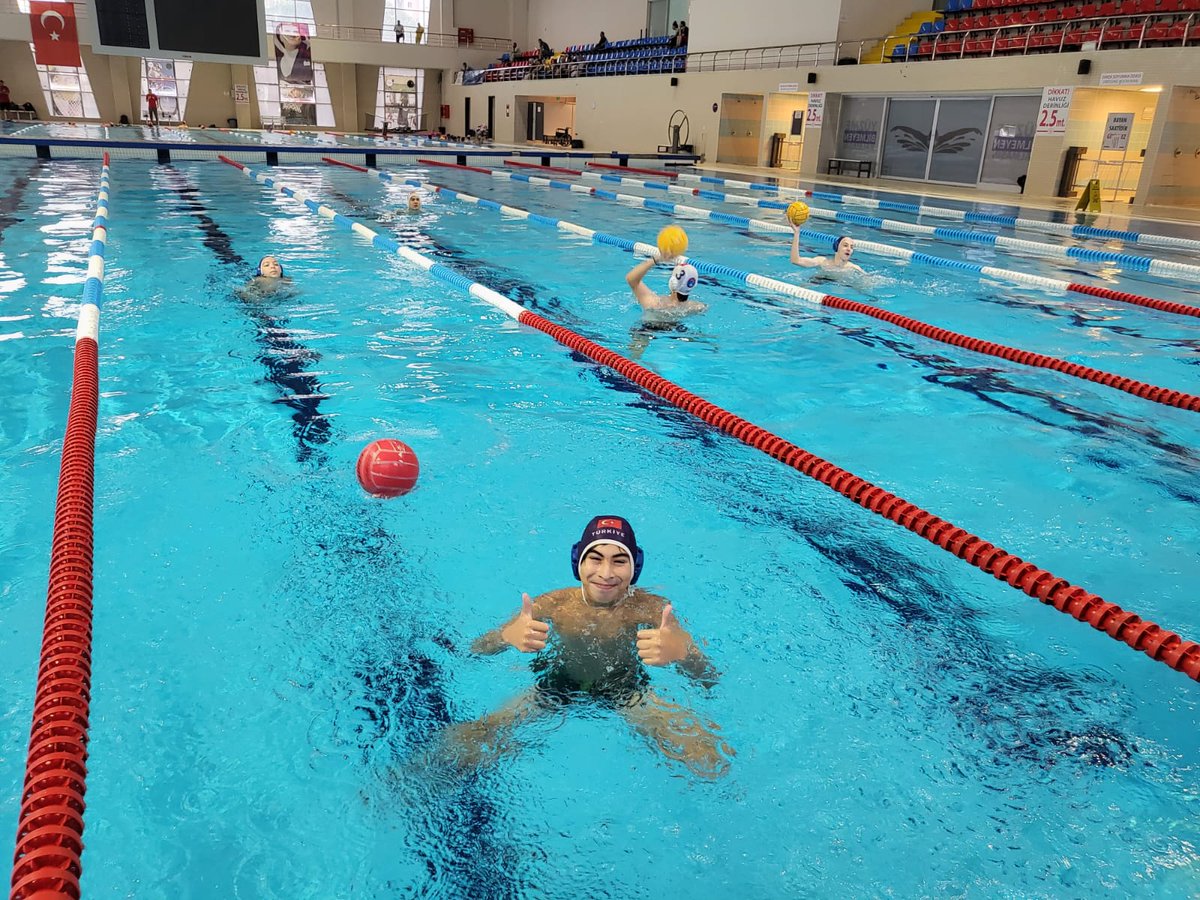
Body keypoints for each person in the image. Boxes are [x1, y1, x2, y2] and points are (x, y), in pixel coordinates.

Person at [444, 516, 732, 778]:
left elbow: (709, 679)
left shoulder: (651, 609)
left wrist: (683, 653)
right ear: (577, 562)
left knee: (711, 759)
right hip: (557, 685)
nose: (606, 573)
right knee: (468, 742)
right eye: (595, 559)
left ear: (636, 567)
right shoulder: (554, 604)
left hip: (625, 689)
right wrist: (506, 636)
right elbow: (476, 649)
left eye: (619, 561)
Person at [626, 255, 707, 327]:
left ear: (673, 282)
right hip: (677, 328)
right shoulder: (697, 307)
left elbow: (631, 279)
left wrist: (655, 259)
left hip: (649, 329)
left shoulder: (656, 303)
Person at [789, 222, 866, 274]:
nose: (849, 249)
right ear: (836, 247)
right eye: (845, 245)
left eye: (851, 247)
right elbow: (796, 260)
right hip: (821, 280)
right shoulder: (822, 262)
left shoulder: (854, 268)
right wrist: (796, 233)